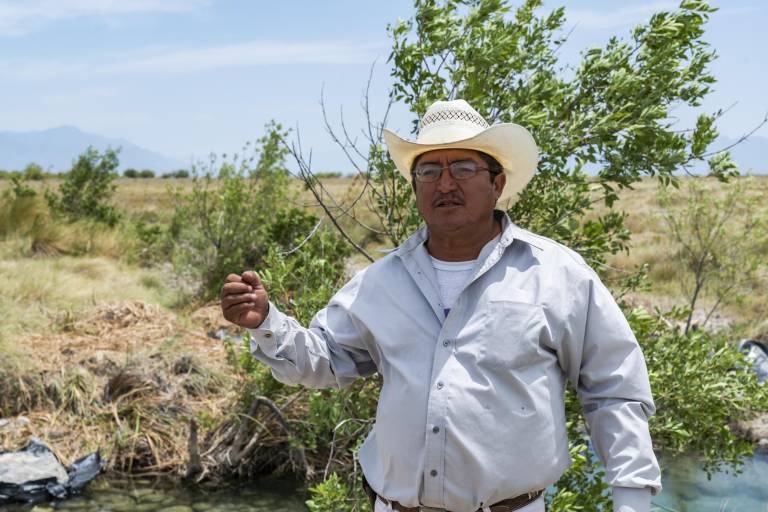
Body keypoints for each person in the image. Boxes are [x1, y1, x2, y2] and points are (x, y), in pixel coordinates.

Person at [220, 99, 661, 512]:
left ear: (497, 183)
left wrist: (633, 498)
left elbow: (613, 388)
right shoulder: (380, 282)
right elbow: (325, 360)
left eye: (463, 167)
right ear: (415, 187)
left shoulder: (557, 274)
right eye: (429, 171)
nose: (445, 183)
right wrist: (267, 323)